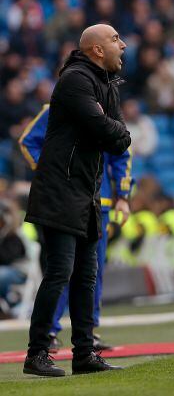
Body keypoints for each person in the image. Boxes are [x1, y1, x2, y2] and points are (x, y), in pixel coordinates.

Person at [22, 23, 131, 377]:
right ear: (97, 49)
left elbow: (120, 138)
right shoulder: (75, 80)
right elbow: (106, 130)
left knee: (86, 275)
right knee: (59, 272)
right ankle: (37, 353)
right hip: (59, 191)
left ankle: (84, 353)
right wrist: (111, 127)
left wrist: (111, 128)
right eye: (115, 39)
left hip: (85, 192)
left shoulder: (105, 85)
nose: (123, 45)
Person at [19, 104, 132, 352]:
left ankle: (88, 332)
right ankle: (49, 330)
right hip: (66, 201)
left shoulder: (107, 110)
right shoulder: (58, 108)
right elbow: (28, 142)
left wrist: (123, 195)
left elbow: (121, 153)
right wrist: (53, 174)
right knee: (62, 268)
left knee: (93, 271)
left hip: (98, 203)